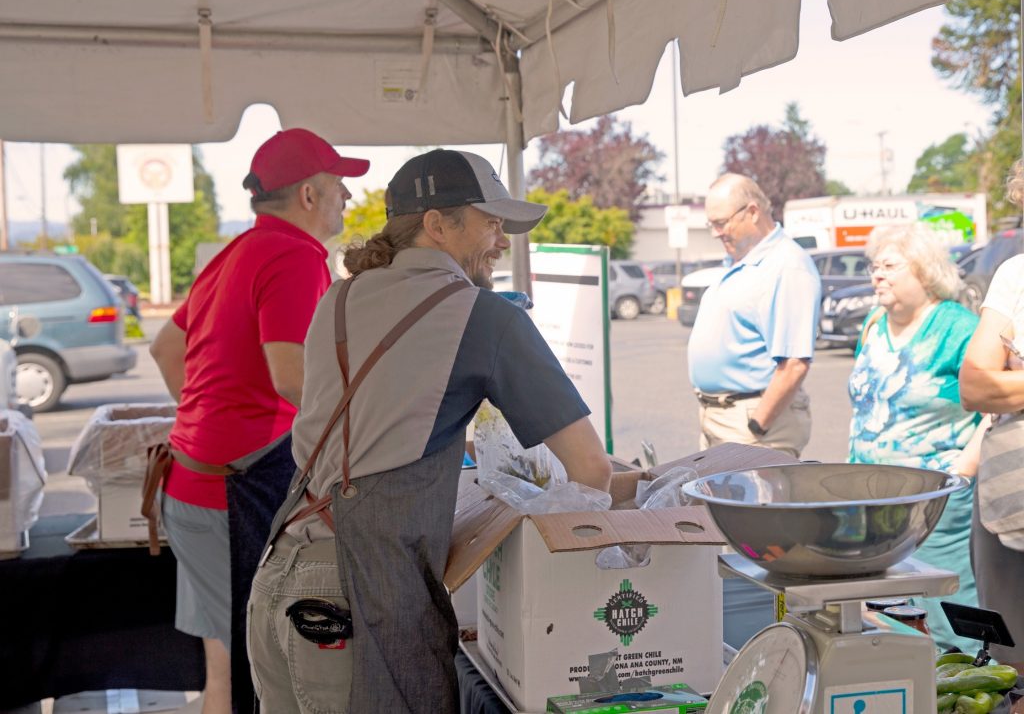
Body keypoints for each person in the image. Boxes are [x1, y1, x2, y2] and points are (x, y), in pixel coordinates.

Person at [247, 148, 612, 714]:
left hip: (279, 580)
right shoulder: (486, 315)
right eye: (489, 220)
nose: (500, 237)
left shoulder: (338, 300)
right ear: (437, 225)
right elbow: (591, 469)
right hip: (354, 605)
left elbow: (374, 426)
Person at [149, 128, 368, 714]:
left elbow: (166, 350)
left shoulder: (233, 253)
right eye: (339, 186)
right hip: (232, 495)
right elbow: (292, 377)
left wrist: (206, 425)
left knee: (224, 671)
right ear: (308, 196)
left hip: (193, 483)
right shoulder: (295, 256)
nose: (346, 198)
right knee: (255, 673)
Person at [848, 223, 983, 651]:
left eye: (889, 265)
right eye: (874, 266)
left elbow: (999, 404)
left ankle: (975, 685)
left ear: (924, 271)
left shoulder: (957, 327)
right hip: (872, 498)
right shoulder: (873, 324)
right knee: (886, 610)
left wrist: (963, 467)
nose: (877, 275)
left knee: (947, 610)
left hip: (936, 498)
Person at [687, 173, 820, 456]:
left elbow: (794, 364)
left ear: (752, 212)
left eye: (721, 223)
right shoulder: (744, 261)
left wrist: (757, 425)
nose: (715, 232)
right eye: (711, 224)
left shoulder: (787, 266)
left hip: (752, 425)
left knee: (753, 501)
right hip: (723, 417)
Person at [960, 162, 1024, 670]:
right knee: (1010, 660)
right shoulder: (1014, 274)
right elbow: (976, 384)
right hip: (1009, 494)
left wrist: (1015, 377)